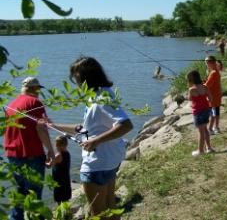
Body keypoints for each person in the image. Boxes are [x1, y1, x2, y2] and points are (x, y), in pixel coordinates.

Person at [48, 57, 133, 219]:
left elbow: (126, 125)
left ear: (88, 77)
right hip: (109, 160)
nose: (77, 84)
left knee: (98, 214)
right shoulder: (102, 95)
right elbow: (85, 128)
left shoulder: (101, 99)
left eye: (78, 79)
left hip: (96, 164)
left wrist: (96, 140)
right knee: (111, 208)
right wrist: (54, 125)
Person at [4, 77, 55, 220]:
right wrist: (50, 150)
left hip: (12, 156)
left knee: (19, 195)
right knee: (34, 196)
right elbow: (41, 128)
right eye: (38, 89)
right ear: (34, 89)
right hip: (31, 155)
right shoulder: (35, 103)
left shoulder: (11, 105)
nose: (39, 92)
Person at [187, 70, 214, 156]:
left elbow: (190, 99)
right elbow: (211, 99)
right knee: (205, 129)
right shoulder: (205, 87)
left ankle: (200, 150)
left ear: (191, 80)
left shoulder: (191, 89)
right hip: (206, 110)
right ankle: (209, 148)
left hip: (198, 112)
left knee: (200, 132)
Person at [204, 56, 222, 134]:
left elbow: (207, 85)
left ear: (210, 63)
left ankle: (210, 129)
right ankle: (216, 127)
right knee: (216, 112)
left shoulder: (213, 73)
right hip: (217, 95)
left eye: (206, 63)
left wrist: (198, 85)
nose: (206, 65)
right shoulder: (216, 71)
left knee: (213, 113)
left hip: (213, 97)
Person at [52, 135, 72, 204]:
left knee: (59, 200)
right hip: (66, 180)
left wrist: (44, 160)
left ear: (57, 145)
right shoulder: (67, 153)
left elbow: (49, 165)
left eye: (56, 145)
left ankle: (61, 213)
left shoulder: (58, 155)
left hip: (58, 181)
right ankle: (67, 213)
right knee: (65, 199)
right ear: (66, 144)